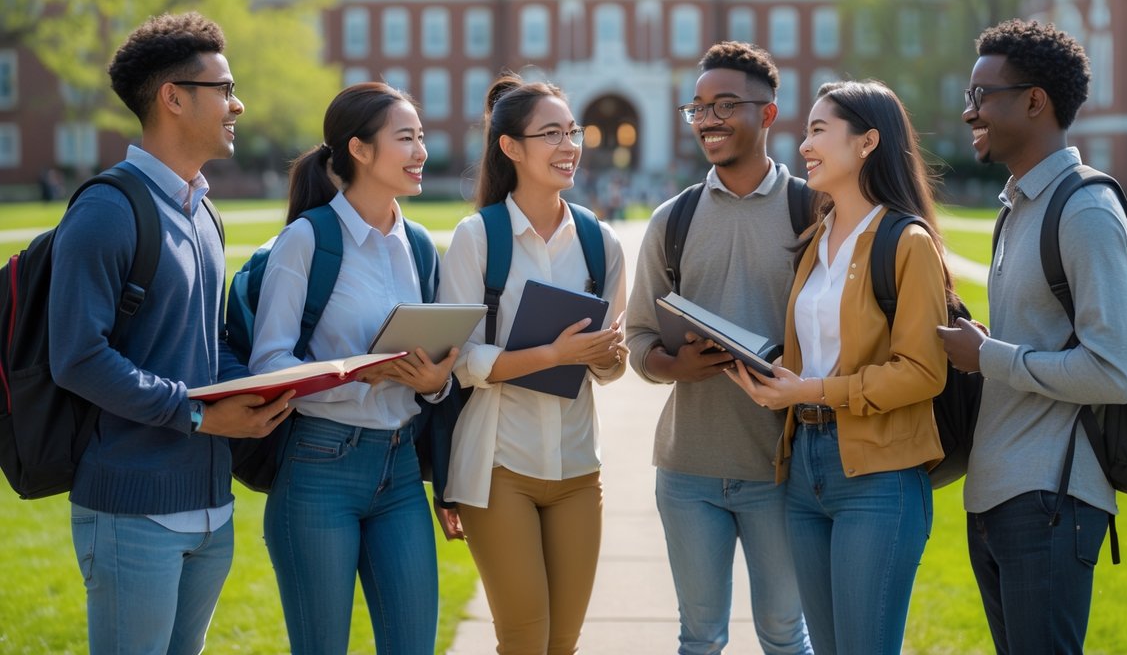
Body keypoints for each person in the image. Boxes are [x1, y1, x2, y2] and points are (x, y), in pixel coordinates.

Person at [48, 11, 293, 655]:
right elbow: (77, 357)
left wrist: (264, 386)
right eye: (225, 88)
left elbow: (203, 345)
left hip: (211, 509)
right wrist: (196, 415)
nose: (237, 104)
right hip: (134, 510)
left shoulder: (201, 209)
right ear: (174, 98)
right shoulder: (107, 209)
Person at [726, 80, 950, 655]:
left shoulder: (907, 242)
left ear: (868, 141)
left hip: (878, 476)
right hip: (804, 471)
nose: (804, 146)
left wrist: (814, 389)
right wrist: (773, 380)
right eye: (806, 133)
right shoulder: (815, 239)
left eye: (820, 131)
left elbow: (924, 371)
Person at [937, 19, 1127, 654]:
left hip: (1051, 501)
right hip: (997, 494)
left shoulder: (1084, 210)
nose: (970, 111)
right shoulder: (1018, 206)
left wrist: (989, 355)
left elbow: (1114, 371)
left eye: (981, 96)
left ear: (1034, 100)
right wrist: (984, 346)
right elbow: (1039, 342)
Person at [249, 83, 459, 655]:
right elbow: (269, 361)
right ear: (360, 150)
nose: (421, 151)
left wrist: (433, 382)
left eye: (421, 137)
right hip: (319, 467)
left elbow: (437, 369)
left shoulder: (418, 246)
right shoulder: (306, 240)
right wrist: (353, 371)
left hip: (399, 473)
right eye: (406, 138)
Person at [625, 41, 811, 655]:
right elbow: (638, 340)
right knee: (698, 638)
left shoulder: (813, 212)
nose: (708, 118)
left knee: (785, 634)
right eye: (698, 106)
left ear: (769, 114)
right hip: (688, 471)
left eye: (725, 104)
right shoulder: (671, 221)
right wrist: (670, 364)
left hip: (782, 469)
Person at [439, 71, 627, 655]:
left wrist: (607, 357)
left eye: (572, 131)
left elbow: (610, 367)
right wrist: (552, 354)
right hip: (498, 469)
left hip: (577, 469)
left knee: (563, 643)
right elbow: (458, 359)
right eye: (551, 134)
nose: (569, 145)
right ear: (511, 147)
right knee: (524, 639)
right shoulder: (478, 239)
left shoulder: (602, 244)